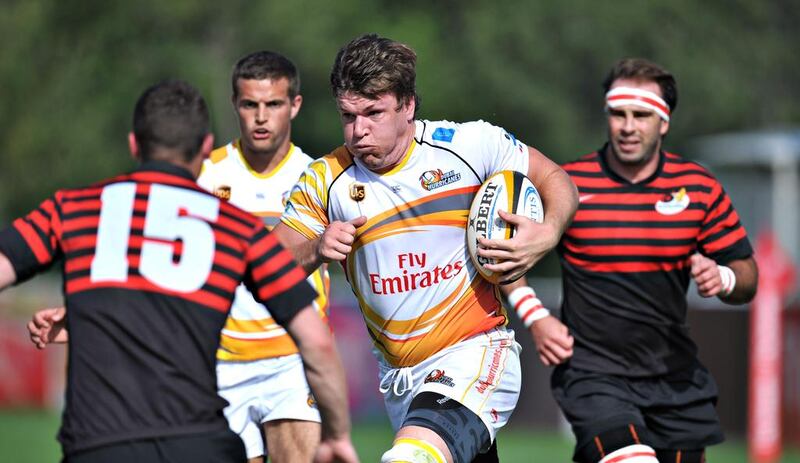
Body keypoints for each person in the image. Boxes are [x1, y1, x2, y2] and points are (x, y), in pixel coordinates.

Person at [15, 80, 357, 463]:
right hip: (198, 440)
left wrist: (86, 317)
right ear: (205, 148)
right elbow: (317, 340)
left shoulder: (73, 209)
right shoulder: (235, 229)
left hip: (96, 445)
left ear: (133, 145)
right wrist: (338, 434)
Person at [273, 34, 578, 463]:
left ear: (408, 105)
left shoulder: (469, 147)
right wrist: (317, 248)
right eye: (348, 115)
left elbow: (557, 181)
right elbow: (268, 263)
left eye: (373, 113)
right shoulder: (326, 180)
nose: (359, 131)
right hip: (402, 381)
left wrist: (546, 234)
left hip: (476, 353)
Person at [548, 58, 758, 463]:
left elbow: (749, 276)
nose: (628, 126)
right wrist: (536, 317)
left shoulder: (697, 187)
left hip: (675, 382)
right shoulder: (566, 184)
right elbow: (508, 254)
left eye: (641, 115)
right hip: (594, 375)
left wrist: (725, 278)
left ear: (663, 123)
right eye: (618, 114)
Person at [196, 50, 331, 463]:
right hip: (220, 361)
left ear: (295, 105)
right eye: (250, 104)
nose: (261, 116)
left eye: (273, 104)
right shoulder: (204, 176)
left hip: (292, 361)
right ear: (234, 104)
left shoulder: (318, 177)